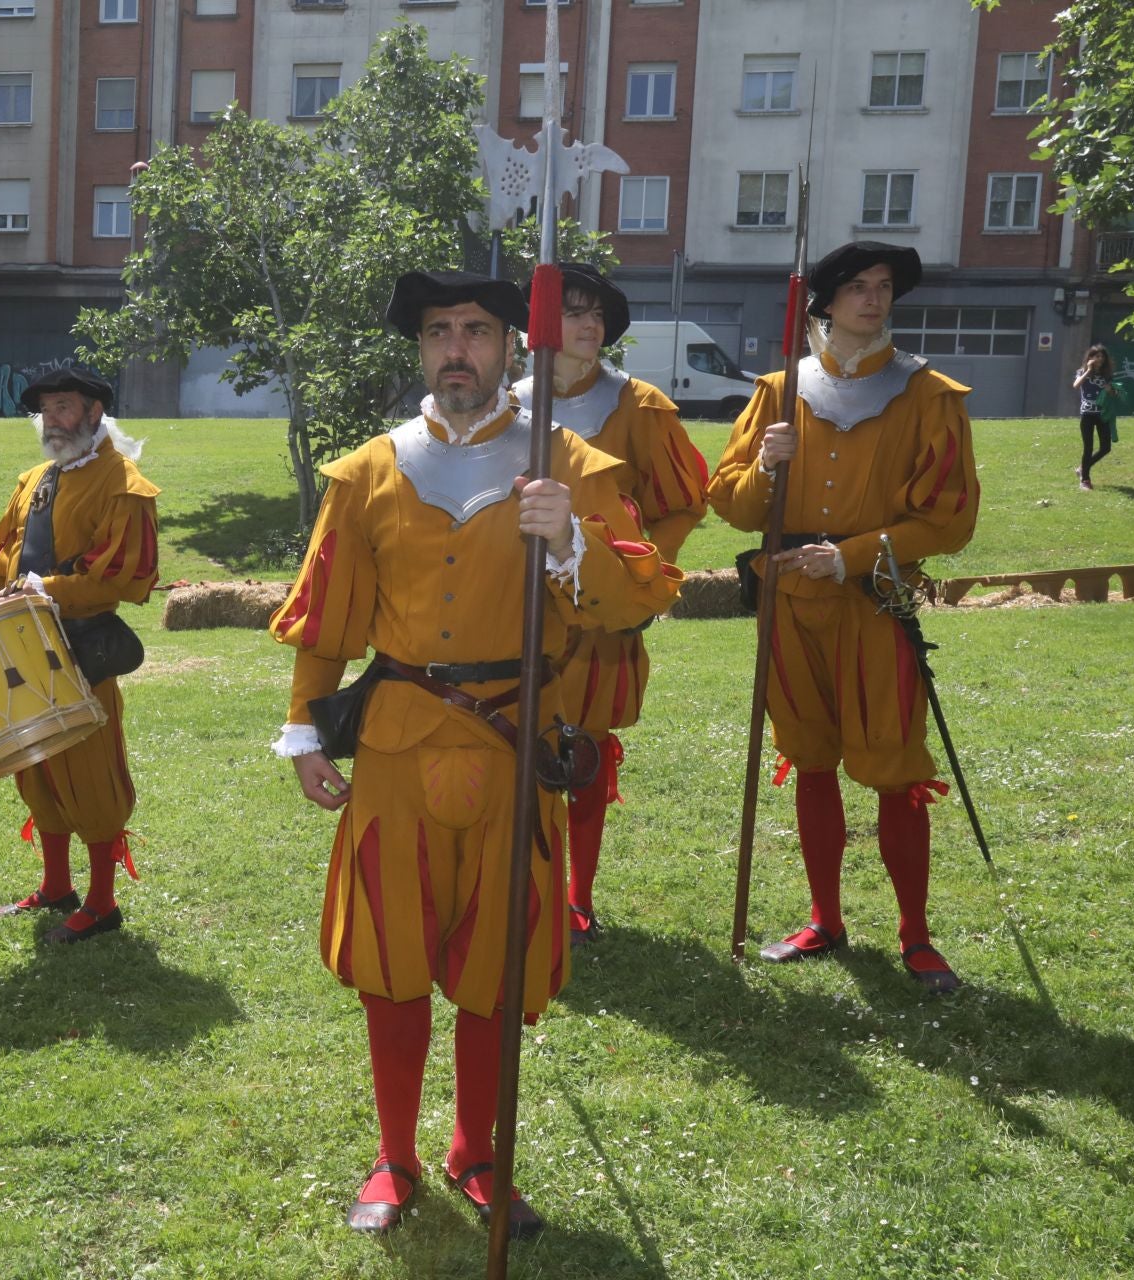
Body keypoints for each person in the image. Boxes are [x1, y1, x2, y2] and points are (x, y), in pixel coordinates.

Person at [270, 270, 682, 1236]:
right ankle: (397, 1157)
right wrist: (302, 730)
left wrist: (571, 541)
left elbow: (642, 597)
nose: (457, 348)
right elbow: (326, 622)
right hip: (397, 746)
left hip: (514, 747)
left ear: (511, 348)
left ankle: (478, 1153)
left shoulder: (571, 463)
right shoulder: (366, 471)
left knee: (500, 960)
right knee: (391, 953)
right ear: (422, 349)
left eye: (477, 332)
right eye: (439, 332)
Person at [707, 241, 980, 994]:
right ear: (824, 302)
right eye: (856, 287)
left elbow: (949, 521)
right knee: (811, 757)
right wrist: (765, 465)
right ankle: (825, 919)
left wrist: (853, 555)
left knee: (893, 768)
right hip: (789, 604)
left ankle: (916, 937)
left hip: (873, 603)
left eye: (883, 287)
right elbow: (730, 506)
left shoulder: (931, 398)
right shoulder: (776, 392)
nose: (872, 299)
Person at [514, 264, 708, 945]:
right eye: (573, 311)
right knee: (519, 750)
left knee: (587, 751)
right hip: (515, 615)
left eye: (596, 313)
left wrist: (640, 575)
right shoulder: (505, 403)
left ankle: (578, 899)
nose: (589, 324)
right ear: (540, 324)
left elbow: (681, 503)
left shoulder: (641, 405)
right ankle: (525, 891)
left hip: (602, 619)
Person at [0, 367, 160, 944]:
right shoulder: (34, 479)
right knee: (37, 767)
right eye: (47, 410)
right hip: (22, 646)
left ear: (94, 413)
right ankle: (57, 886)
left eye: (64, 408)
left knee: (91, 775)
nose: (53, 420)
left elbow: (125, 577)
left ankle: (103, 904)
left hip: (81, 647)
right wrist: (8, 575)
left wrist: (43, 587)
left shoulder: (123, 484)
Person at [1072, 343, 1116, 490]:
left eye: (1102, 357)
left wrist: (1110, 390)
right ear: (1090, 357)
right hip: (1087, 414)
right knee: (1088, 447)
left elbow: (1113, 393)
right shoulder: (1082, 371)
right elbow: (1076, 385)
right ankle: (1085, 480)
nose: (1100, 359)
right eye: (1097, 356)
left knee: (1106, 447)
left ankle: (1082, 469)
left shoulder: (1107, 375)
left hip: (1102, 414)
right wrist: (1088, 370)